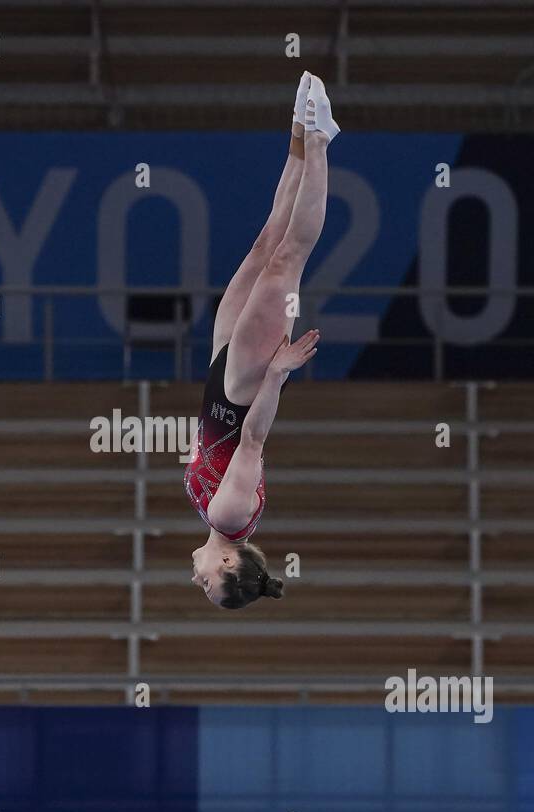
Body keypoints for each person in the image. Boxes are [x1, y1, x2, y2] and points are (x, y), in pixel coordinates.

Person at [185, 72, 339, 608]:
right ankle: (319, 143)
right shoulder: (229, 518)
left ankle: (300, 132)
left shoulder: (219, 518)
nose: (197, 578)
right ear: (229, 563)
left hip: (221, 377)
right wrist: (276, 373)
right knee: (286, 261)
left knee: (264, 246)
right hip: (246, 384)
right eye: (209, 583)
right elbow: (252, 442)